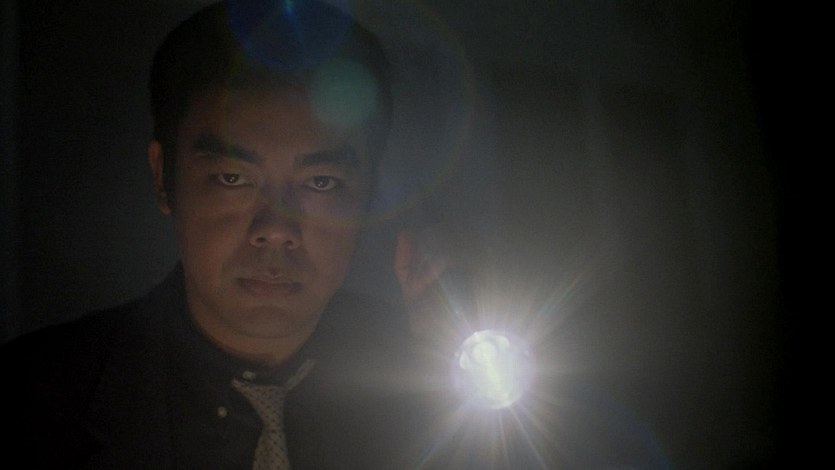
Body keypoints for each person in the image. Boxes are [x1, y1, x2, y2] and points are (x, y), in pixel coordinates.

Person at [0, 1, 447, 468]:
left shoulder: (437, 381)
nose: (275, 230)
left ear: (370, 191)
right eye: (232, 178)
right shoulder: (31, 404)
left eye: (321, 182)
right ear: (163, 177)